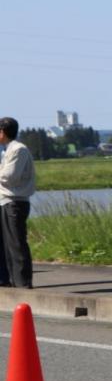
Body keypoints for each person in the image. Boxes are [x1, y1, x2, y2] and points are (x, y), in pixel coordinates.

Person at [0, 117, 36, 288]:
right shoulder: (8, 149)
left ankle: (23, 283)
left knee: (16, 243)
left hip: (15, 201)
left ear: (3, 132)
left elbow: (10, 177)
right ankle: (11, 281)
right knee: (7, 245)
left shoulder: (18, 149)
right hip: (6, 200)